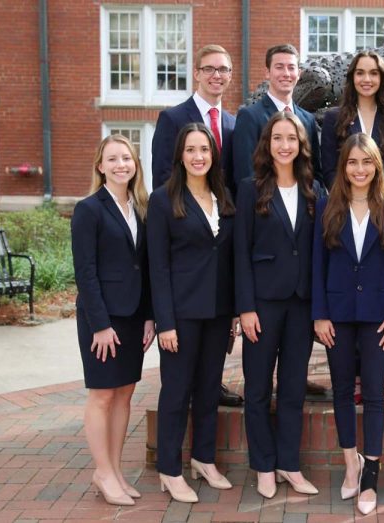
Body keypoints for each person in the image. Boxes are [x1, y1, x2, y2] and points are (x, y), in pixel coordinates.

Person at [312, 134, 384, 515]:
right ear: (343, 167)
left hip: (378, 318)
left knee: (374, 395)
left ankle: (371, 475)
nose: (360, 169)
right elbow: (317, 267)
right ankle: (350, 464)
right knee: (339, 391)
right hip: (336, 316)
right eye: (353, 162)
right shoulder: (326, 207)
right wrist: (319, 314)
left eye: (366, 162)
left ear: (376, 166)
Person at [234, 111, 325, 499]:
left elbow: (320, 252)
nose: (284, 145)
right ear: (267, 145)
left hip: (301, 304)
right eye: (277, 139)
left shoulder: (314, 189)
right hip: (263, 304)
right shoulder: (251, 188)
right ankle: (264, 466)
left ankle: (289, 464)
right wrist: (245, 308)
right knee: (257, 389)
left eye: (291, 138)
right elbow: (240, 252)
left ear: (301, 144)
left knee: (292, 389)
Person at [150, 44, 243, 408]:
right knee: (180, 372)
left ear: (230, 76)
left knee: (210, 354)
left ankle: (213, 383)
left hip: (219, 235)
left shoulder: (235, 123)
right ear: (198, 73)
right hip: (185, 233)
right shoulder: (173, 118)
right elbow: (162, 177)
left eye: (223, 70)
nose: (216, 75)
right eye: (210, 69)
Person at [147, 124, 236, 503]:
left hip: (217, 312)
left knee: (208, 388)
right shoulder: (163, 199)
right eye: (190, 150)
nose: (198, 156)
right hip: (180, 315)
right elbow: (158, 267)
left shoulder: (224, 196)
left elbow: (229, 259)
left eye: (204, 149)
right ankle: (170, 469)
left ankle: (203, 458)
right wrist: (164, 321)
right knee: (177, 391)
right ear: (180, 156)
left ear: (213, 154)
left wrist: (232, 313)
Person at [71, 134, 155, 507]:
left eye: (127, 158)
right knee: (103, 395)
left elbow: (147, 267)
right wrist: (100, 324)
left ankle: (116, 471)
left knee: (125, 394)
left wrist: (150, 316)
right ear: (100, 166)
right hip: (102, 320)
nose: (122, 164)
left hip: (134, 316)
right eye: (113, 159)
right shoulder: (88, 209)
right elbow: (85, 272)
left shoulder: (140, 207)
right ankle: (102, 472)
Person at [233, 44, 322, 188]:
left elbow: (315, 171)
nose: (286, 73)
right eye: (279, 67)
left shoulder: (308, 119)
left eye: (291, 67)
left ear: (299, 74)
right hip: (264, 205)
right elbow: (245, 174)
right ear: (267, 72)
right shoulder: (250, 117)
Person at [320, 50, 384, 189]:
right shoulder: (333, 118)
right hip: (345, 203)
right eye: (360, 73)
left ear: (382, 78)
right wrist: (351, 199)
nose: (366, 79)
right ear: (352, 77)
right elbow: (329, 169)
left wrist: (381, 198)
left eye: (373, 73)